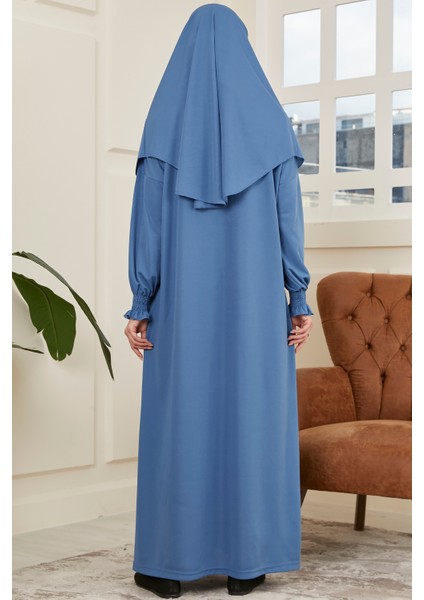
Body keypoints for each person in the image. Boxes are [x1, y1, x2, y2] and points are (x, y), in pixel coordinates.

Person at [124, 4, 313, 598]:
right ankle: (246, 564)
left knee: (180, 421)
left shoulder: (164, 125)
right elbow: (289, 222)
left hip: (181, 308)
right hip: (256, 308)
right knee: (251, 418)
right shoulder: (273, 128)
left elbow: (149, 225)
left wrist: (141, 302)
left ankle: (167, 569)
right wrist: (298, 296)